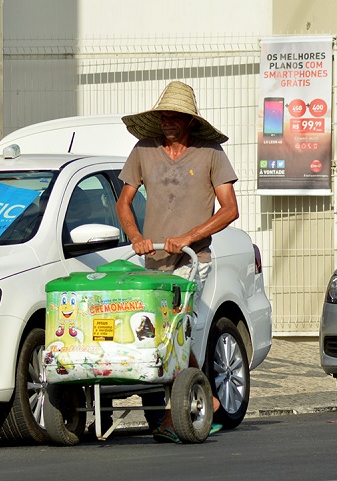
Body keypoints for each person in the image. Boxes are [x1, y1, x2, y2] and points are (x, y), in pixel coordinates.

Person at [116, 80, 239, 443]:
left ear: (189, 121)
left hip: (192, 258)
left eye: (175, 116)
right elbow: (124, 202)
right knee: (161, 333)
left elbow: (230, 209)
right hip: (153, 259)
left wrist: (189, 236)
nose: (168, 121)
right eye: (163, 115)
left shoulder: (210, 153)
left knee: (177, 325)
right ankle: (206, 398)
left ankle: (180, 406)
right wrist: (136, 237)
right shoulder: (143, 150)